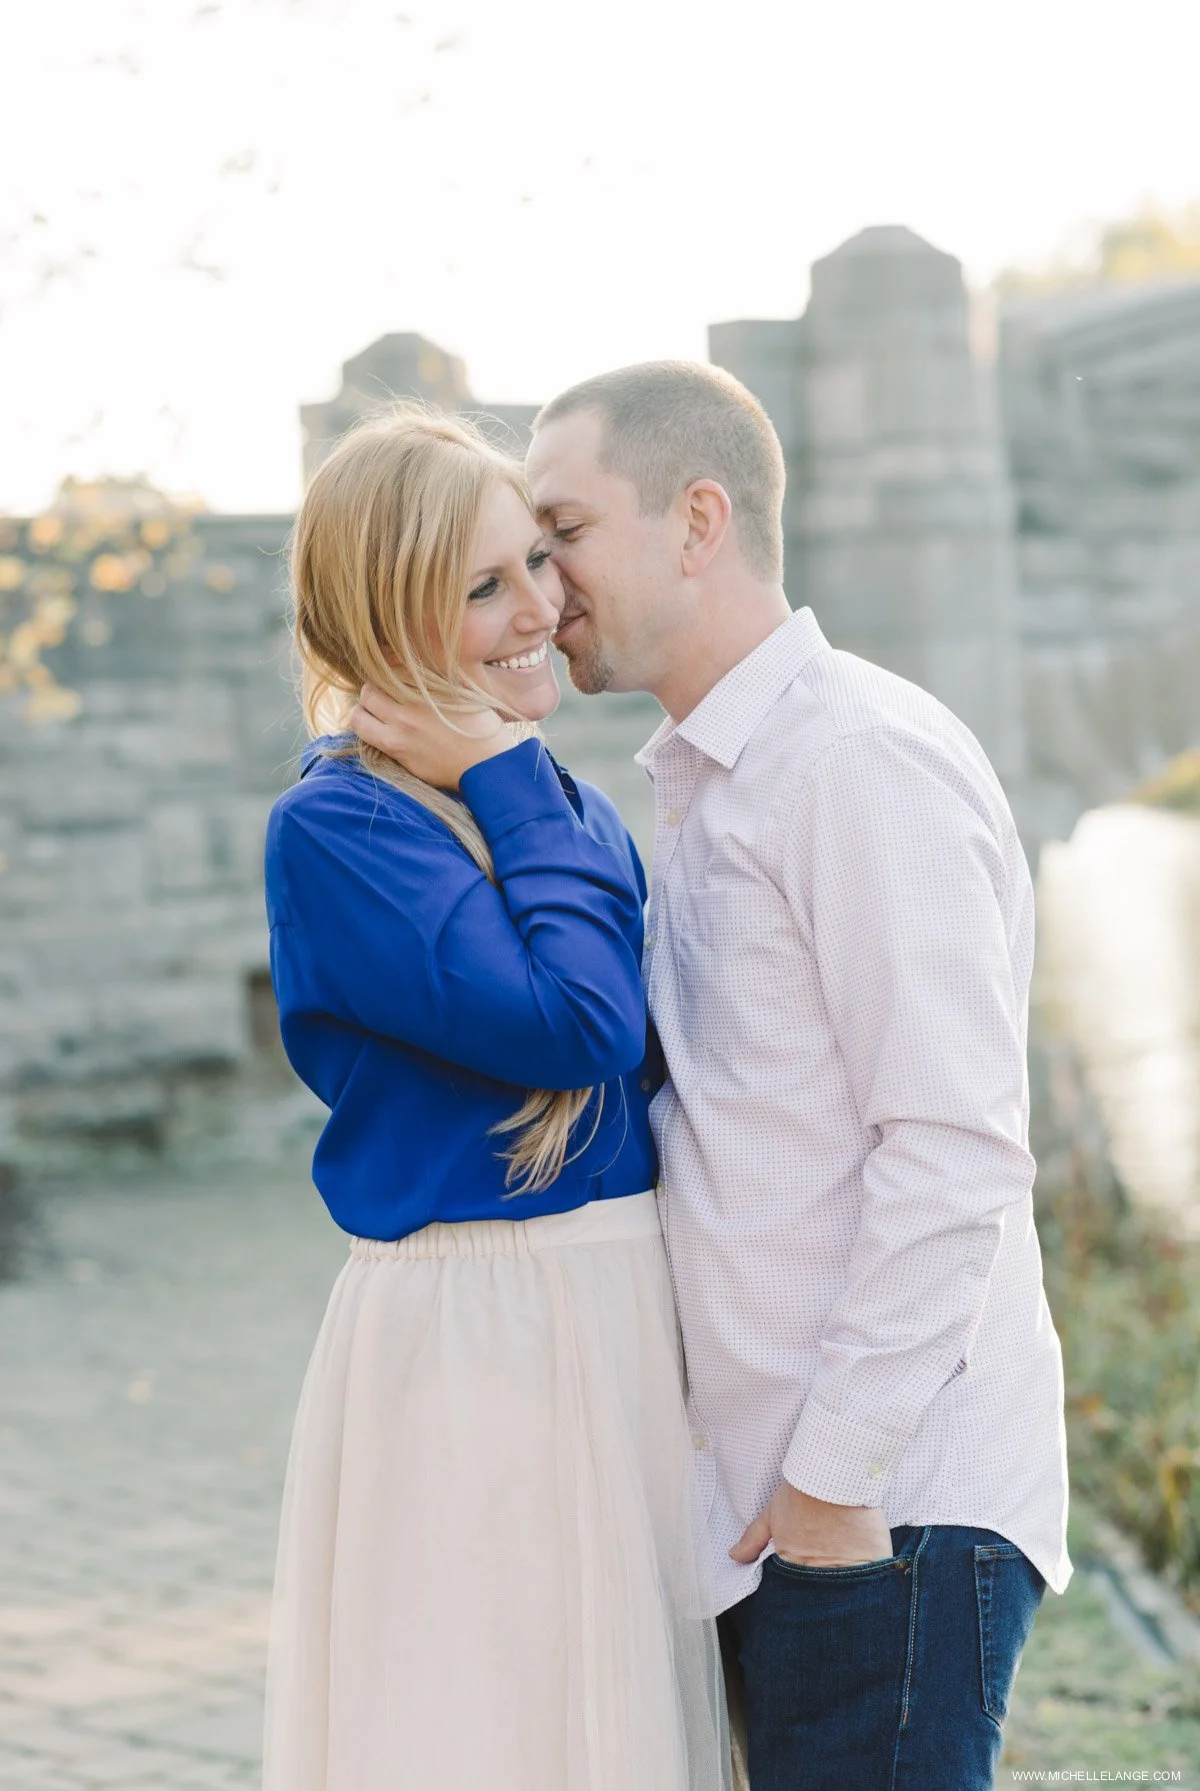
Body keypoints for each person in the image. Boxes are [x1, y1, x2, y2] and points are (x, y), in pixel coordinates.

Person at [355, 360, 1072, 1791]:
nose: (542, 586)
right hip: (773, 1510)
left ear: (698, 519)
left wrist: (829, 1481)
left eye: (564, 533)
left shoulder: (855, 760)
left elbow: (954, 1148)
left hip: (883, 1511)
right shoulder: (706, 780)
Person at [261, 406, 730, 1791]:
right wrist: (510, 776)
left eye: (536, 558)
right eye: (482, 586)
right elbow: (578, 1028)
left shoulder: (556, 802)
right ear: (386, 613)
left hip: (618, 1309)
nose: (540, 609)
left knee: (621, 1724)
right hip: (477, 1328)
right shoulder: (343, 826)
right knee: (488, 1726)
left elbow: (657, 1071)